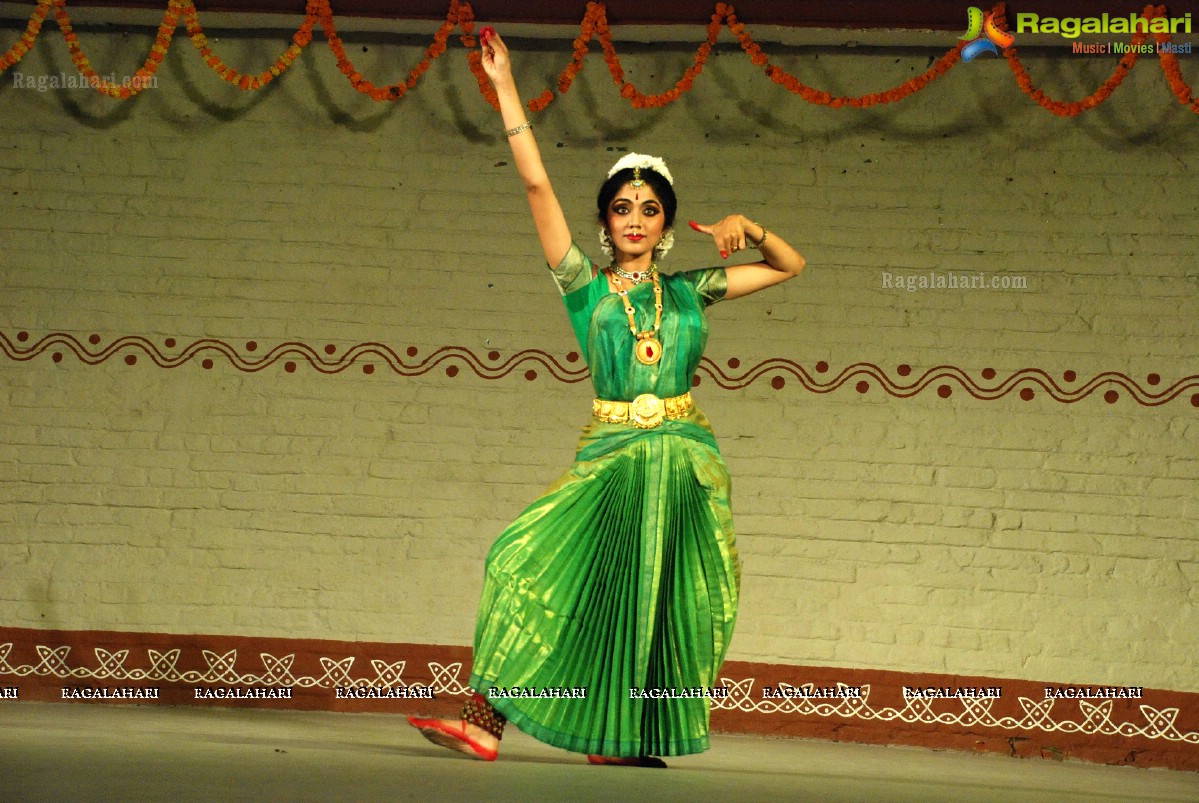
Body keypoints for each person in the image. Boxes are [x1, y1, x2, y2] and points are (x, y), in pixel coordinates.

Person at [408, 28, 805, 768]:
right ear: (603, 220)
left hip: (682, 456)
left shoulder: (692, 291)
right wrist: (503, 90)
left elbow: (788, 265)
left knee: (656, 593)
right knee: (523, 559)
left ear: (663, 225)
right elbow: (534, 185)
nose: (633, 217)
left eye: (648, 208)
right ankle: (484, 714)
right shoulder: (581, 288)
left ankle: (619, 739)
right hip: (610, 451)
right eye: (621, 206)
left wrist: (748, 227)